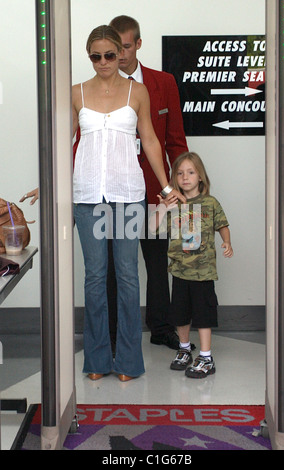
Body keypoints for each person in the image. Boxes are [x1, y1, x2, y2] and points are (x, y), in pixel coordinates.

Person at [72, 25, 184, 382]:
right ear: (88, 56)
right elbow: (63, 144)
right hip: (88, 195)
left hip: (128, 195)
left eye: (110, 54)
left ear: (121, 54)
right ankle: (98, 359)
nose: (104, 62)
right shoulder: (76, 93)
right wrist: (48, 182)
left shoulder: (138, 92)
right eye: (96, 56)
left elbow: (150, 140)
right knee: (93, 278)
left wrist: (166, 189)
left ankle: (129, 361)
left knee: (127, 277)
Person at [106, 15, 190, 352]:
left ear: (138, 44)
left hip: (157, 191)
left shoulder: (164, 82)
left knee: (157, 262)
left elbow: (175, 141)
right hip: (114, 190)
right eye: (114, 48)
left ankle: (161, 327)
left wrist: (182, 186)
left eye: (125, 46)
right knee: (114, 264)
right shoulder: (102, 86)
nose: (120, 54)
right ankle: (111, 332)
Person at [149, 151, 233, 378]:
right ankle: (184, 350)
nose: (185, 177)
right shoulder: (173, 204)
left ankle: (206, 357)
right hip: (179, 272)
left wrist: (226, 241)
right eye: (180, 173)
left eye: (191, 172)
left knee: (203, 315)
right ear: (174, 179)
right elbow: (151, 228)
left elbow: (222, 224)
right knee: (180, 315)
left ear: (201, 177)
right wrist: (163, 207)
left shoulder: (210, 203)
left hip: (203, 273)